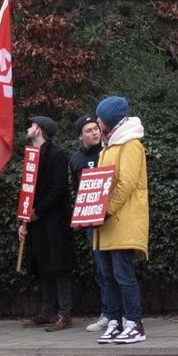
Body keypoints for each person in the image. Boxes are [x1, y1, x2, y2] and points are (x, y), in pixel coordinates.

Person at [94, 96, 149, 344]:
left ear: (110, 119)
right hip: (107, 224)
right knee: (108, 275)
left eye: (100, 117)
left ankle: (134, 323)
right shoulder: (109, 144)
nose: (97, 121)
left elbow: (125, 183)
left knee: (123, 276)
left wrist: (104, 210)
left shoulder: (130, 144)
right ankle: (115, 321)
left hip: (121, 221)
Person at [17, 116, 75, 332]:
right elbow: (27, 190)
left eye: (32, 125)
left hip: (54, 221)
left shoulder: (57, 155)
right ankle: (48, 310)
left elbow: (59, 189)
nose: (28, 127)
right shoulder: (31, 156)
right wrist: (23, 218)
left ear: (40, 131)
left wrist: (37, 212)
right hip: (37, 221)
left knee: (59, 266)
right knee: (43, 266)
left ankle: (65, 314)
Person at [69, 114, 107, 332]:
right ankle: (107, 312)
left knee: (116, 268)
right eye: (89, 130)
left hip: (110, 218)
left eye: (96, 128)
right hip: (91, 222)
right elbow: (77, 192)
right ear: (80, 136)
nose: (94, 133)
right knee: (100, 268)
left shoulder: (109, 151)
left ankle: (122, 313)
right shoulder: (76, 160)